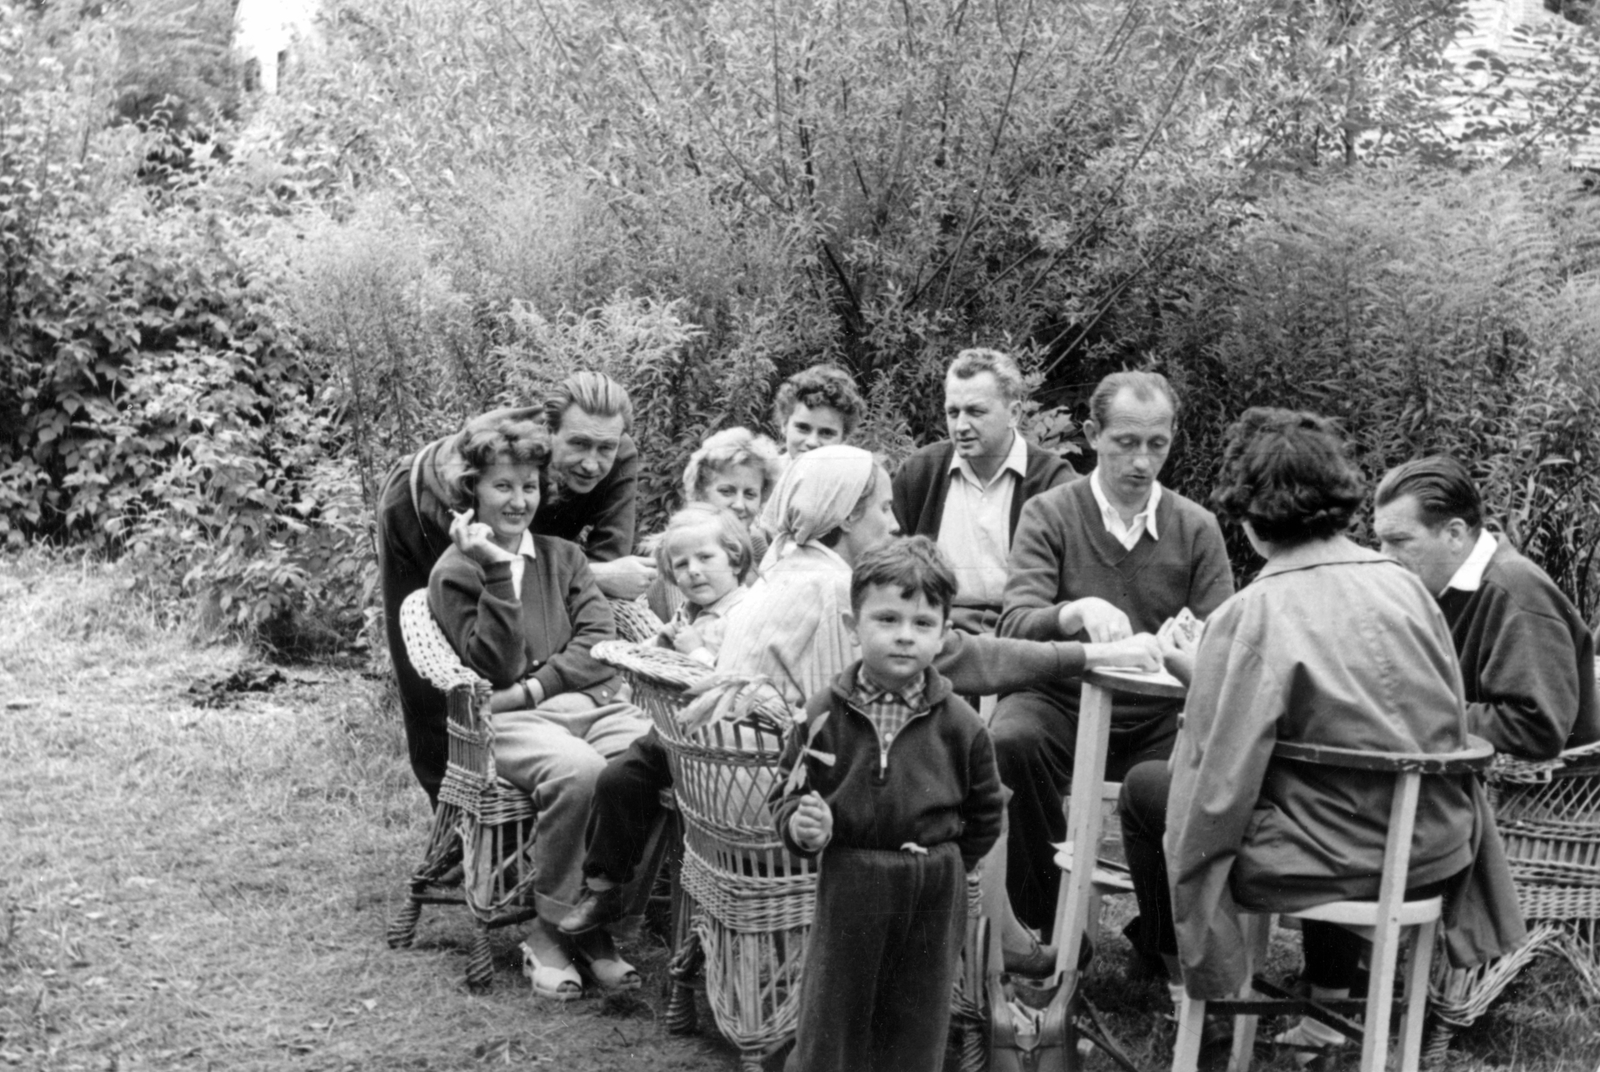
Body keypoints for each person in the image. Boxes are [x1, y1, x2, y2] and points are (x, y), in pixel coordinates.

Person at [561, 446, 1160, 963]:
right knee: (986, 794)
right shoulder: (832, 589)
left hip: (728, 792)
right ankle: (995, 946)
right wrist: (1082, 656)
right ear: (847, 515)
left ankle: (998, 939)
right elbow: (876, 709)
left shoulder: (785, 568)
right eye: (883, 508)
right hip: (780, 809)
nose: (896, 522)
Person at [1119, 408, 1524, 1057]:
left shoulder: (1252, 612)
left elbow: (1214, 790)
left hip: (1327, 859)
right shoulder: (1407, 587)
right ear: (1341, 498)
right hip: (1433, 849)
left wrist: (1208, 935)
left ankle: (1195, 991)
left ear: (1248, 517)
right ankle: (1328, 999)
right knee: (1317, 791)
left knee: (1149, 788)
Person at [991, 370, 1234, 935]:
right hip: (1061, 705)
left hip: (1157, 717)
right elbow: (1014, 624)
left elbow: (1225, 645)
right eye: (1126, 443)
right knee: (1009, 741)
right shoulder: (1050, 513)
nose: (1142, 463)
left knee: (1218, 762)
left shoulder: (1198, 528)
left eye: (1158, 445)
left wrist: (1194, 641)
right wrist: (1074, 612)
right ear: (1093, 434)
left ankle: (1164, 937)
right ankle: (1046, 927)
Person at [425, 415, 653, 1001]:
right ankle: (550, 935)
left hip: (576, 705)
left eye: (529, 486)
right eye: (503, 486)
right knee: (580, 774)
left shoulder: (563, 558)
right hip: (505, 724)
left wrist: (533, 687)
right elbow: (495, 669)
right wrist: (499, 573)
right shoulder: (455, 572)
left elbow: (601, 646)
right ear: (471, 489)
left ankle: (600, 926)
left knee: (660, 760)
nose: (519, 500)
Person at [772, 537, 1005, 1072]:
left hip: (933, 885)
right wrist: (805, 829)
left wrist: (950, 862)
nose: (904, 636)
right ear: (853, 627)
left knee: (918, 1014)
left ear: (945, 632)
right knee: (835, 1010)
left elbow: (986, 809)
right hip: (852, 879)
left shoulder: (961, 725)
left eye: (923, 624)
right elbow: (786, 793)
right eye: (887, 619)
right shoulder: (823, 713)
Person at [377, 371, 654, 803]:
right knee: (436, 675)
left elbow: (603, 567)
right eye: (578, 444)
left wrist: (576, 572)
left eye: (606, 447)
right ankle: (456, 816)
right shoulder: (491, 476)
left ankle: (555, 779)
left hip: (512, 525)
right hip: (423, 508)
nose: (592, 462)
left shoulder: (617, 456)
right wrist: (563, 568)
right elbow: (495, 554)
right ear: (549, 432)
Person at [1374, 455, 1600, 760]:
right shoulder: (1438, 585)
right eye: (1381, 542)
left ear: (1454, 534)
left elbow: (1535, 730)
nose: (1385, 557)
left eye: (1399, 540)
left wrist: (1418, 712)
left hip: (1543, 800)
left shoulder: (1517, 593)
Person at [892, 348, 1073, 633]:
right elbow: (887, 567)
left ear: (1013, 413)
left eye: (976, 412)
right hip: (938, 635)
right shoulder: (920, 473)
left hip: (1023, 638)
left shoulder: (1053, 481)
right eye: (953, 413)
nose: (961, 426)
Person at [647, 427, 781, 623]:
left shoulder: (757, 542)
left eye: (750, 494)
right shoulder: (682, 548)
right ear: (701, 492)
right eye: (727, 491)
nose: (739, 505)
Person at [654, 503, 754, 665]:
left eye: (705, 557)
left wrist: (695, 652)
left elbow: (733, 680)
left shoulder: (742, 615)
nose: (692, 570)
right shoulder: (687, 610)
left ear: (736, 562)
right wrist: (661, 644)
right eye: (681, 564)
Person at [771, 364, 866, 460]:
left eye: (827, 433)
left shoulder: (851, 474)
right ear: (784, 424)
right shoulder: (764, 472)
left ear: (843, 439)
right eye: (803, 428)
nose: (812, 442)